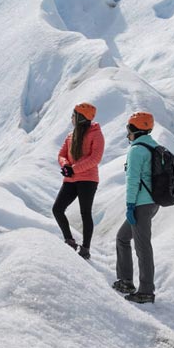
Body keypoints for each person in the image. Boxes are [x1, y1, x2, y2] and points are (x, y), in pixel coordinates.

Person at [113, 111, 160, 304]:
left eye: (128, 129)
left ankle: (146, 291)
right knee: (122, 237)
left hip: (141, 204)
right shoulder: (154, 146)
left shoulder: (136, 150)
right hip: (153, 202)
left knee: (142, 247)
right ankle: (126, 281)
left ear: (134, 129)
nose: (127, 133)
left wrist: (130, 205)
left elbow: (133, 180)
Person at [52, 102, 105, 260]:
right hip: (71, 179)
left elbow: (95, 158)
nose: (71, 118)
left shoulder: (96, 134)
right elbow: (61, 154)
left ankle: (85, 248)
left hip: (88, 179)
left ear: (80, 117)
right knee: (57, 209)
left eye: (74, 115)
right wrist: (66, 166)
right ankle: (69, 241)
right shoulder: (71, 135)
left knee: (85, 213)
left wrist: (73, 169)